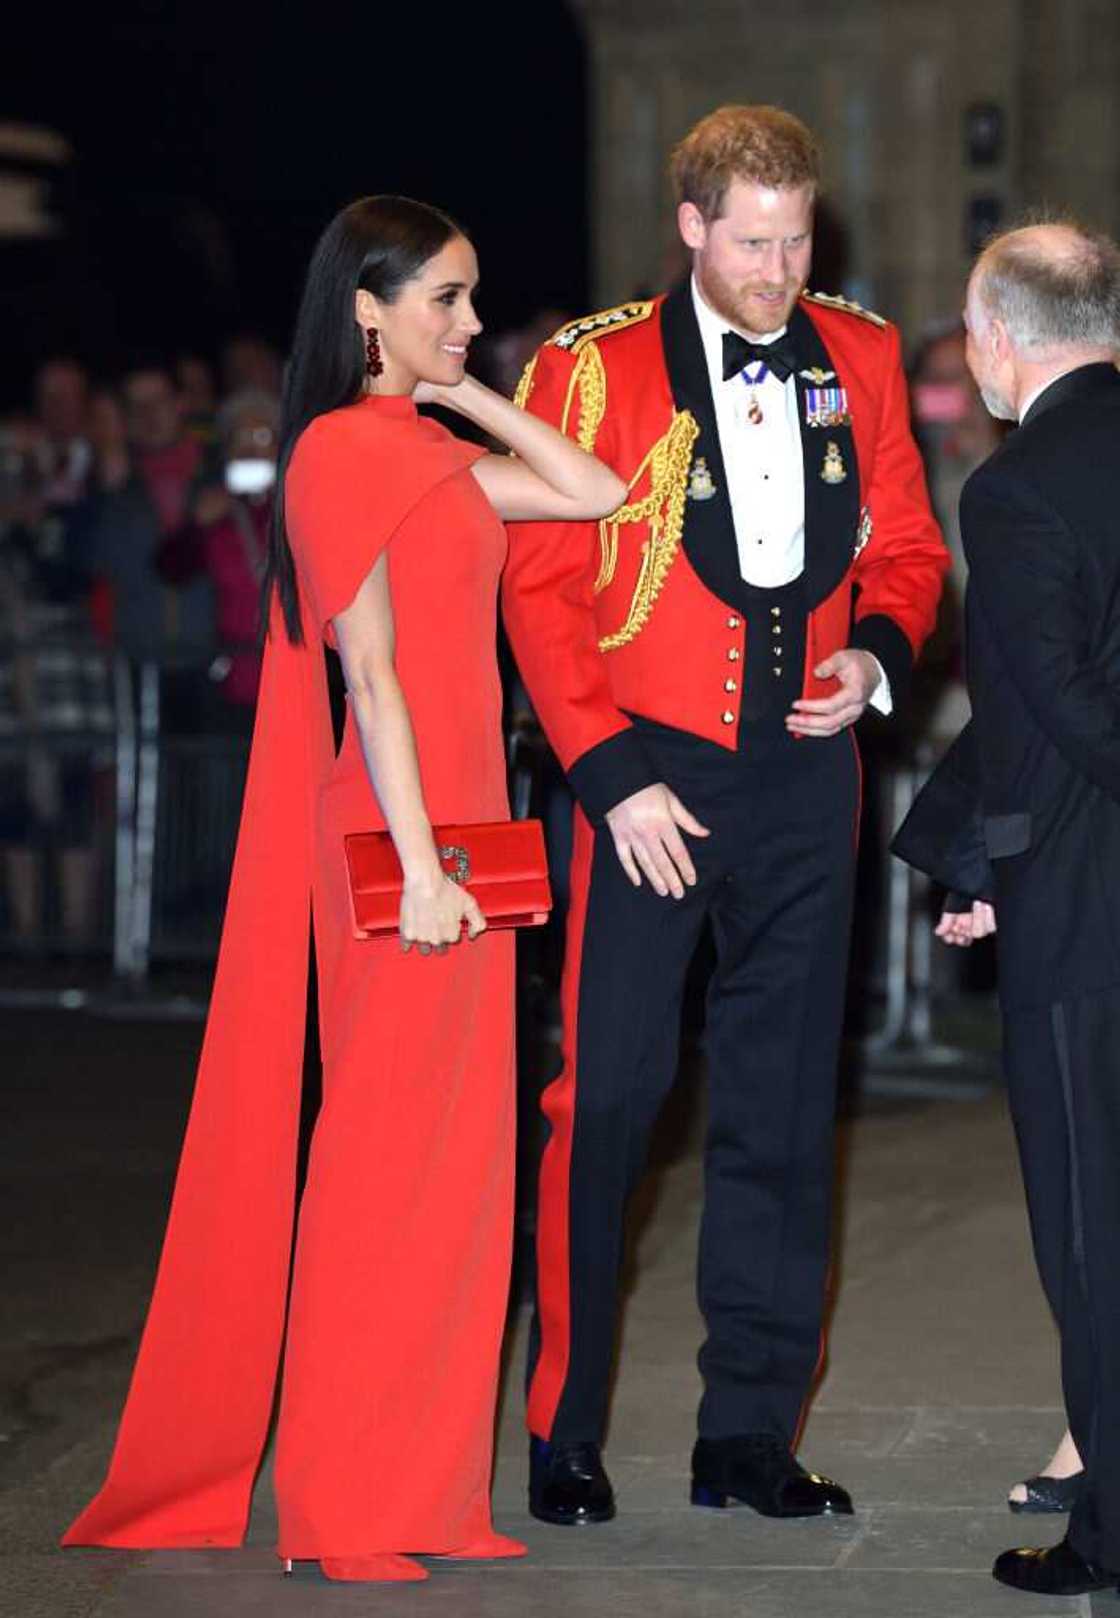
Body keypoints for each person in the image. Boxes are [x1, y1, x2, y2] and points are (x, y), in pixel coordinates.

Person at [62, 195, 625, 1582]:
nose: (473, 321)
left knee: (460, 1174)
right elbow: (367, 671)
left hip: (461, 832)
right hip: (397, 838)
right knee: (380, 1166)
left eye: (476, 297)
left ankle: (429, 1492)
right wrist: (424, 860)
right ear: (367, 308)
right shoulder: (330, 455)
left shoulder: (425, 446)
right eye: (447, 299)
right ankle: (336, 1503)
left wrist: (475, 392)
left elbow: (595, 491)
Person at [502, 103, 948, 1527]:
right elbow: (542, 587)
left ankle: (748, 1437)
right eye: (752, 241)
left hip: (808, 783)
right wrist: (608, 774)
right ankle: (564, 1429)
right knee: (614, 1094)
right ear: (690, 226)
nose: (779, 267)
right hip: (646, 778)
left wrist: (878, 652)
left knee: (781, 1112)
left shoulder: (861, 351)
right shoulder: (590, 364)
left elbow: (908, 542)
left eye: (797, 236)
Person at [894, 219, 1120, 1597]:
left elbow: (1054, 700)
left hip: (1091, 919)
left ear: (998, 338)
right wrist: (978, 852)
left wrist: (1006, 859)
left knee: (1092, 1235)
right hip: (1064, 869)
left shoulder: (1017, 483)